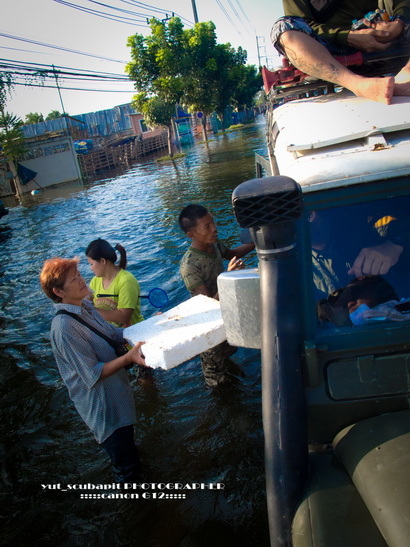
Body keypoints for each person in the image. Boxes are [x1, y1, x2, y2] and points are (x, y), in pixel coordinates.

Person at [40, 257, 147, 484]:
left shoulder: (86, 305)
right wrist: (129, 357)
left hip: (117, 393)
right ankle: (137, 504)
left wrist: (148, 327)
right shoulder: (64, 328)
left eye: (79, 274)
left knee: (131, 451)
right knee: (126, 469)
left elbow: (113, 334)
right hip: (104, 407)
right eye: (74, 279)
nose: (81, 279)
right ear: (58, 291)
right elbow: (92, 374)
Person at [271, 1, 410, 104]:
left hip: (390, 40)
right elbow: (302, 23)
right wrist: (348, 37)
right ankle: (358, 85)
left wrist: (399, 24)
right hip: (331, 53)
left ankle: (405, 77)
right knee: (284, 28)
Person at [178, 204, 255, 387]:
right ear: (191, 234)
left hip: (226, 316)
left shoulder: (214, 244)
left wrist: (259, 241)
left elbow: (233, 253)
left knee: (228, 355)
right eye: (207, 226)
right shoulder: (189, 266)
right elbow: (207, 305)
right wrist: (229, 276)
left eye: (212, 222)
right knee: (217, 380)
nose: (214, 228)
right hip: (208, 327)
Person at [86, 238, 143, 328]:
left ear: (103, 261)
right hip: (113, 335)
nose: (91, 268)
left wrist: (91, 310)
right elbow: (88, 302)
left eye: (91, 264)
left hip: (134, 334)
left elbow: (124, 317)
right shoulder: (95, 281)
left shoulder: (126, 281)